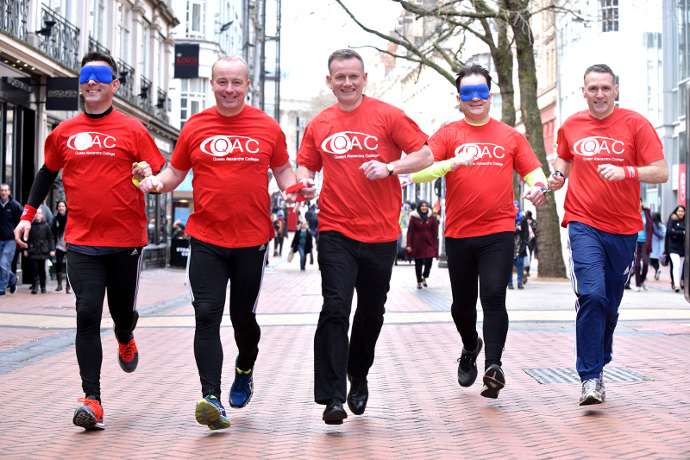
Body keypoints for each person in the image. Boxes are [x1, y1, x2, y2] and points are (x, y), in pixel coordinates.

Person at [136, 55, 313, 430]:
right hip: (206, 239)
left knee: (242, 319)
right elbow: (174, 172)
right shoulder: (195, 126)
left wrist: (294, 189)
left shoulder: (267, 126)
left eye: (236, 82)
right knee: (207, 314)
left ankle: (245, 367)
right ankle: (211, 397)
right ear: (212, 84)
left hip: (252, 240)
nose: (229, 89)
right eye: (222, 82)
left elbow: (282, 169)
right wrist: (154, 183)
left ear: (248, 84)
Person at [14, 52, 167, 430]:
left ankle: (125, 336)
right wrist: (26, 216)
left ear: (114, 85)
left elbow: (158, 176)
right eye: (86, 77)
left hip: (126, 240)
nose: (92, 83)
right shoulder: (64, 131)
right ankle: (92, 399)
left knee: (121, 315)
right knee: (86, 315)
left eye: (101, 77)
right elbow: (46, 173)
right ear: (80, 83)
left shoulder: (133, 129)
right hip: (81, 241)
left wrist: (149, 179)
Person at [296, 49, 433, 424]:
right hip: (336, 229)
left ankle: (359, 374)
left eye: (353, 76)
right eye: (339, 77)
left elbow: (425, 155)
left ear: (364, 78)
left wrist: (390, 167)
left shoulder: (387, 115)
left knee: (371, 312)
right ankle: (332, 396)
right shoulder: (320, 123)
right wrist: (306, 182)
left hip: (381, 234)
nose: (346, 83)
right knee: (335, 306)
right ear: (329, 81)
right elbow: (306, 163)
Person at [411, 63, 547, 400]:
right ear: (458, 98)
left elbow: (534, 172)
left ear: (490, 95)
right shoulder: (447, 134)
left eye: (481, 92)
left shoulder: (510, 135)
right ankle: (471, 345)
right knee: (462, 306)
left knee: (493, 296)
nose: (475, 98)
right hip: (458, 234)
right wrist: (450, 164)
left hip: (499, 232)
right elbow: (419, 174)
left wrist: (539, 186)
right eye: (468, 93)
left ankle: (493, 367)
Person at [548, 64, 668, 406]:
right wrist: (556, 177)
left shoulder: (636, 124)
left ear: (616, 89)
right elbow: (564, 160)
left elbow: (660, 171)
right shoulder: (571, 125)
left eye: (605, 88)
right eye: (593, 89)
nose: (599, 94)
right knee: (592, 296)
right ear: (582, 91)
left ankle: (599, 356)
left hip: (624, 228)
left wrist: (625, 171)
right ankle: (591, 377)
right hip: (582, 221)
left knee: (610, 304)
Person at [406, 200, 438, 289]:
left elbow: (435, 232)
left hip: (429, 242)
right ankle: (419, 281)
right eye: (422, 206)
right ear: (419, 207)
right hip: (417, 243)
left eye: (426, 206)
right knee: (418, 262)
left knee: (429, 261)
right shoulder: (414, 217)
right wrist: (409, 244)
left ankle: (424, 276)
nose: (424, 208)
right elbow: (410, 232)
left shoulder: (431, 217)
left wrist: (435, 244)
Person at [24, 207, 55, 294]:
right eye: (36, 213)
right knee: (34, 269)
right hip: (33, 249)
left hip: (43, 250)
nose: (37, 215)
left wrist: (52, 249)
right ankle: (35, 286)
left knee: (42, 269)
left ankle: (43, 286)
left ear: (42, 215)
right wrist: (25, 249)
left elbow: (50, 238)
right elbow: (27, 238)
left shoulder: (45, 226)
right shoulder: (31, 225)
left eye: (39, 213)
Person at [0, 183, 21, 295]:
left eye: (5, 190)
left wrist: (17, 233)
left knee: (4, 264)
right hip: (0, 239)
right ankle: (12, 278)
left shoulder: (14, 205)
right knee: (1, 265)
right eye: (2, 190)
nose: (3, 192)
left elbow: (22, 218)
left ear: (9, 192)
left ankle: (2, 289)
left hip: (10, 240)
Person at [631, 198, 654, 291]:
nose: (638, 203)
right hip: (635, 241)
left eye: (639, 202)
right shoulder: (633, 213)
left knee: (645, 262)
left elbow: (651, 227)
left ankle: (642, 279)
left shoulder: (647, 213)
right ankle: (638, 285)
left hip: (645, 242)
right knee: (636, 264)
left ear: (642, 203)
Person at [509, 201, 530, 290]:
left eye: (517, 206)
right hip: (510, 244)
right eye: (514, 206)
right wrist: (516, 229)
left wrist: (525, 243)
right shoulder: (509, 217)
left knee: (520, 264)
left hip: (520, 244)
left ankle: (519, 282)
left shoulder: (523, 218)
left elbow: (526, 232)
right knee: (509, 265)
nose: (516, 208)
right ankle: (510, 283)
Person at [51, 200, 70, 293]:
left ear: (66, 208)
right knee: (58, 263)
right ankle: (59, 285)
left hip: (68, 245)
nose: (61, 208)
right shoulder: (55, 220)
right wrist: (52, 247)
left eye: (62, 206)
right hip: (59, 245)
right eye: (59, 206)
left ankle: (68, 286)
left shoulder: (69, 219)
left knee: (68, 265)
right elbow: (52, 233)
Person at [666, 205, 686, 292]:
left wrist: (676, 233)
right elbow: (670, 231)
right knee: (676, 265)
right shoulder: (672, 220)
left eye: (682, 211)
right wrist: (682, 232)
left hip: (683, 247)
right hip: (673, 247)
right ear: (676, 212)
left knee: (681, 266)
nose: (680, 213)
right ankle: (676, 284)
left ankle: (679, 282)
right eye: (679, 211)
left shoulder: (686, 221)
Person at [650, 212, 666, 280]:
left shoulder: (652, 225)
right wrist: (661, 236)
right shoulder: (662, 225)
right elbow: (664, 234)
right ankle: (657, 269)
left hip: (652, 243)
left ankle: (657, 269)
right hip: (660, 244)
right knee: (657, 259)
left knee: (652, 259)